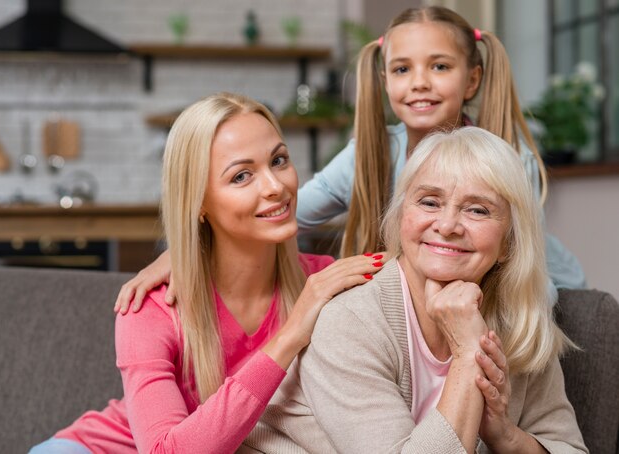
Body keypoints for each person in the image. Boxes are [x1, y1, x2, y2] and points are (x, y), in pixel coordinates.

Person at [113, 6, 585, 314]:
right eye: (403, 69)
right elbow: (282, 211)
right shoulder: (371, 150)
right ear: (384, 80)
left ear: (472, 80)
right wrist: (183, 252)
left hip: (542, 290)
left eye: (439, 66)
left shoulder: (507, 159)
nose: (419, 82)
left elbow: (527, 278)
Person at [29, 93, 384, 453]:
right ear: (198, 201)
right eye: (242, 176)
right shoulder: (150, 308)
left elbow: (416, 267)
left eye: (279, 160)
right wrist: (291, 334)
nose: (276, 186)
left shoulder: (326, 284)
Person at [242, 127, 587, 453]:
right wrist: (468, 356)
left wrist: (506, 437)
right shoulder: (349, 320)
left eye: (477, 210)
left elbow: (568, 446)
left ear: (510, 242)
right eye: (429, 202)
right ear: (401, 216)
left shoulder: (518, 320)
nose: (448, 225)